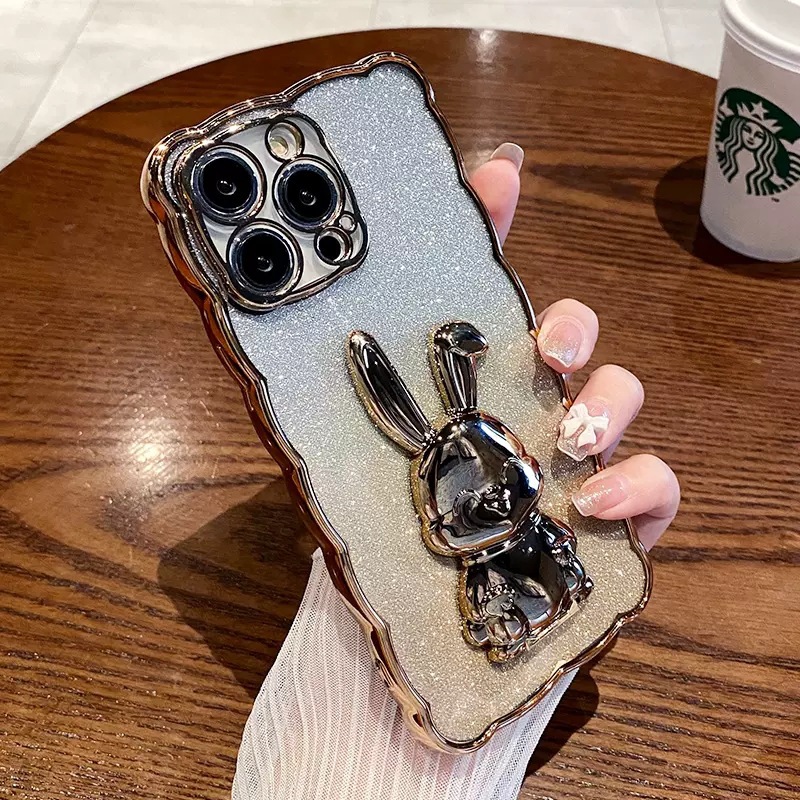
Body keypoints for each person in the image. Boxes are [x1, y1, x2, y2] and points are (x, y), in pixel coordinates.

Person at [231, 143, 681, 800]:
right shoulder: (468, 567)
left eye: (507, 473)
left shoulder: (530, 519)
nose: (492, 499)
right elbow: (482, 608)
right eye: (470, 505)